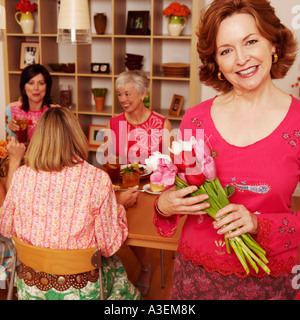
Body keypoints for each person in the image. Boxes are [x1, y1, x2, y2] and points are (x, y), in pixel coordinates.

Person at [154, 0, 300, 300]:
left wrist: (260, 223)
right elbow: (176, 192)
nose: (241, 59)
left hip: (270, 284)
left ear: (273, 43)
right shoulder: (196, 118)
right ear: (217, 63)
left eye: (251, 41)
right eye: (226, 50)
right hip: (196, 279)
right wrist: (164, 205)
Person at [0, 107, 141, 300]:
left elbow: (6, 229)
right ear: (76, 136)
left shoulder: (21, 175)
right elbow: (108, 245)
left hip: (31, 289)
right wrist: (119, 211)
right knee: (116, 269)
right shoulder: (97, 179)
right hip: (81, 291)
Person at [104, 70, 173, 296]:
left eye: (128, 94)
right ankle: (143, 266)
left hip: (154, 189)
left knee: (137, 218)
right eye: (119, 94)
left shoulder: (163, 124)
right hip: (125, 187)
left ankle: (144, 267)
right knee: (123, 221)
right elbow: (108, 162)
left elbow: (170, 165)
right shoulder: (113, 123)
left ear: (143, 94)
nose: (123, 99)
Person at [6, 64, 58, 143]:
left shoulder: (56, 111)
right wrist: (12, 130)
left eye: (41, 83)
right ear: (24, 86)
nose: (36, 88)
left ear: (47, 87)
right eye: (31, 83)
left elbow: (60, 145)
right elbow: (10, 146)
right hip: (21, 155)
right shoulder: (12, 109)